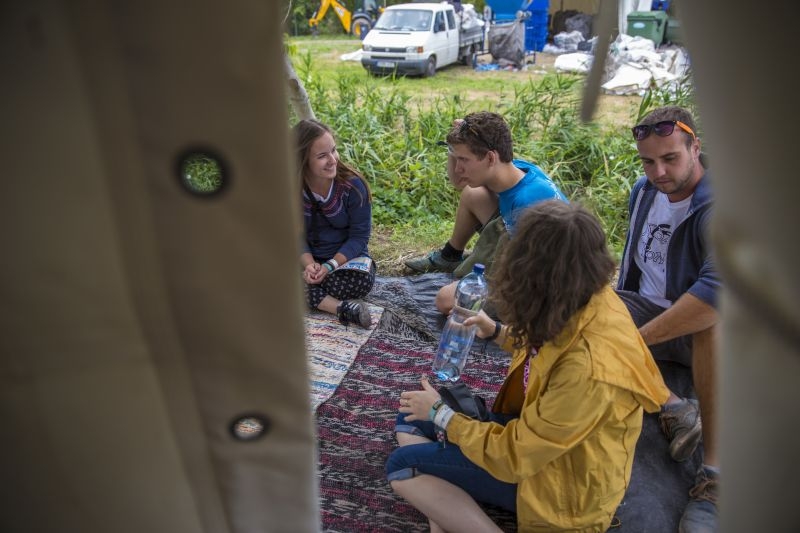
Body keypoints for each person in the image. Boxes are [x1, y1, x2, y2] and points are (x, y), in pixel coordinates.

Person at [387, 201, 670, 532]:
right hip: (540, 443)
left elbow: (517, 456)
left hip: (559, 487)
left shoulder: (589, 371)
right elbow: (549, 346)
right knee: (410, 414)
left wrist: (442, 415)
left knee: (403, 466)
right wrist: (495, 331)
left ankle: (446, 499)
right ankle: (444, 503)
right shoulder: (587, 296)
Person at [616, 106, 720, 532]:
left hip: (706, 330)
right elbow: (630, 272)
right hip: (649, 312)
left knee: (713, 321)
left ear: (695, 147)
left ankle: (716, 478)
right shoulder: (644, 192)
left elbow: (716, 295)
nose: (658, 172)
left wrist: (632, 342)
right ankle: (674, 406)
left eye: (670, 158)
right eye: (648, 161)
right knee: (576, 300)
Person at [403, 111, 567, 313]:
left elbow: (531, 277)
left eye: (464, 159)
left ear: (490, 157)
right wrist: (455, 147)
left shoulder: (527, 205)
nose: (458, 168)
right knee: (473, 193)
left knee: (445, 299)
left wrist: (481, 294)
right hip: (521, 243)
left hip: (548, 282)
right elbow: (459, 182)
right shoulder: (515, 169)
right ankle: (450, 256)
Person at [294, 118, 376, 328]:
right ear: (302, 160)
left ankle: (310, 294)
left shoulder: (354, 186)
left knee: (361, 281)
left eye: (333, 150)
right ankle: (343, 309)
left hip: (344, 263)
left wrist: (329, 266)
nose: (333, 160)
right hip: (308, 262)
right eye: (322, 156)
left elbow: (359, 237)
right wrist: (309, 265)